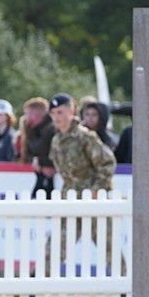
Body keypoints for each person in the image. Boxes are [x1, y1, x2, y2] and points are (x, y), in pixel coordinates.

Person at [48, 92, 117, 275]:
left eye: (60, 112)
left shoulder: (85, 137)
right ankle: (35, 283)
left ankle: (126, 286)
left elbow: (107, 163)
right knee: (56, 243)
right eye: (53, 113)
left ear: (72, 111)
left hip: (94, 201)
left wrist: (97, 189)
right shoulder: (56, 141)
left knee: (107, 246)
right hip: (71, 199)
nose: (57, 117)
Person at [18, 97, 57, 197]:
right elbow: (26, 154)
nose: (26, 117)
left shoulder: (51, 129)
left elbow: (56, 154)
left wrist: (40, 162)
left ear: (35, 114)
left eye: (27, 113)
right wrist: (36, 161)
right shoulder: (32, 131)